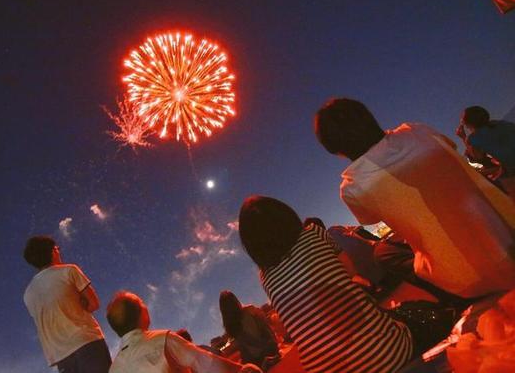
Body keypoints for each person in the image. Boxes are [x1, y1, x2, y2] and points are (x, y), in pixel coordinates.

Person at [314, 98, 515, 299]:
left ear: (335, 149)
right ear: (369, 118)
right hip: (509, 234)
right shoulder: (417, 131)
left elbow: (371, 218)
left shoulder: (353, 186)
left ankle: (450, 298)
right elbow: (451, 149)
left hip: (469, 281)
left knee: (383, 252)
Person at [238, 195, 414, 373]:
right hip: (387, 355)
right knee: (416, 314)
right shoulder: (314, 232)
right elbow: (351, 273)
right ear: (286, 216)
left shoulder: (265, 278)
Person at [106, 291, 262, 373]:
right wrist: (242, 369)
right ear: (140, 314)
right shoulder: (161, 340)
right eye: (141, 303)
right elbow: (207, 365)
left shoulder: (114, 369)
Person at [23, 236, 111, 373]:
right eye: (57, 249)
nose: (59, 252)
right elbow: (94, 303)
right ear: (52, 251)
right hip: (87, 342)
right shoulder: (69, 271)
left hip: (61, 356)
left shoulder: (28, 293)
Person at [457, 105, 515, 200]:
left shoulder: (474, 138)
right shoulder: (499, 124)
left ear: (467, 123)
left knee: (476, 178)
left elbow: (477, 158)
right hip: (509, 165)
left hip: (512, 168)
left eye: (462, 119)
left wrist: (463, 136)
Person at [219, 290, 280, 368]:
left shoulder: (230, 327)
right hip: (269, 349)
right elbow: (265, 326)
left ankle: (262, 362)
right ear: (235, 300)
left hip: (253, 360)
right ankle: (268, 359)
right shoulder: (250, 310)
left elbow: (244, 346)